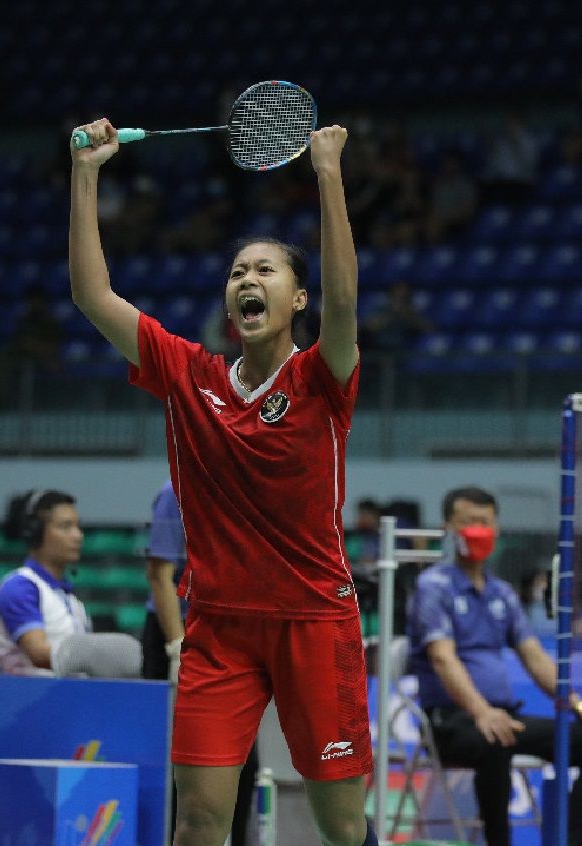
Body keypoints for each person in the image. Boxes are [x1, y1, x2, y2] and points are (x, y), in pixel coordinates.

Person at [69, 117, 377, 846]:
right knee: (200, 819)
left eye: (266, 270)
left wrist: (328, 173)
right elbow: (93, 296)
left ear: (296, 300)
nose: (248, 280)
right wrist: (86, 173)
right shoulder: (188, 376)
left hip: (314, 620)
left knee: (339, 826)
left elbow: (344, 301)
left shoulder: (321, 378)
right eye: (239, 271)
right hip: (219, 628)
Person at [407, 486, 582, 846]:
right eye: (468, 522)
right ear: (449, 528)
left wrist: (581, 707)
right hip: (450, 723)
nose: (478, 530)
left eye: (485, 522)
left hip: (502, 717)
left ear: (496, 528)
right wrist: (481, 712)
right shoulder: (434, 587)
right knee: (496, 738)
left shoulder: (502, 593)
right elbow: (442, 658)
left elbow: (536, 658)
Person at [141, 480, 259, 846]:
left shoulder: (243, 482)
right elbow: (159, 574)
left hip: (223, 634)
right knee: (183, 768)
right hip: (174, 634)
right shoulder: (175, 490)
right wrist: (177, 647)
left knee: (243, 764)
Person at [0, 490, 90, 675]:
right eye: (66, 526)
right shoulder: (19, 587)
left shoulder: (72, 602)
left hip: (65, 699)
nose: (78, 535)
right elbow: (39, 654)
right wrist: (99, 658)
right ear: (36, 532)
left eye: (78, 526)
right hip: (27, 701)